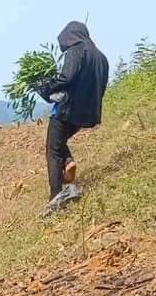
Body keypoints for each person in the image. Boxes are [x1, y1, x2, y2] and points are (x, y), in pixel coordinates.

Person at [36, 21, 109, 214]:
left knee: (52, 149)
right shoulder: (101, 58)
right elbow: (101, 87)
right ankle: (68, 162)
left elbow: (66, 77)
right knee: (59, 143)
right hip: (87, 113)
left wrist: (46, 87)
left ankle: (55, 196)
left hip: (67, 110)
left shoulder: (77, 50)